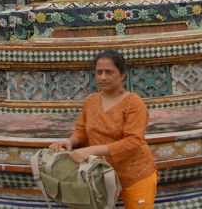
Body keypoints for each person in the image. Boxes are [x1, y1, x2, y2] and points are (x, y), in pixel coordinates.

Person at [49, 49, 158, 208]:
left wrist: (90, 151)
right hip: (99, 175)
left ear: (122, 75)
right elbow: (81, 130)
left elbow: (133, 141)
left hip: (135, 174)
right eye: (98, 72)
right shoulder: (91, 101)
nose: (103, 77)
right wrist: (70, 142)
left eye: (109, 72)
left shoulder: (134, 103)